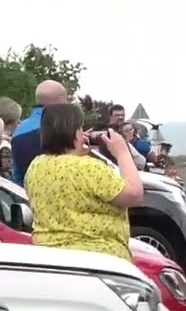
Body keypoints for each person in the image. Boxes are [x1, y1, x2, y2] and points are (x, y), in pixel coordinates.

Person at [23, 103, 143, 261]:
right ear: (73, 132)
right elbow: (134, 195)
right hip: (96, 260)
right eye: (80, 128)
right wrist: (122, 152)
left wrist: (76, 153)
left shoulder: (36, 166)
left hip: (49, 257)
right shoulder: (88, 167)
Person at [11, 80, 69, 186]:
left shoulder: (18, 130)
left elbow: (16, 173)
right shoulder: (63, 129)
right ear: (61, 100)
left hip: (23, 195)